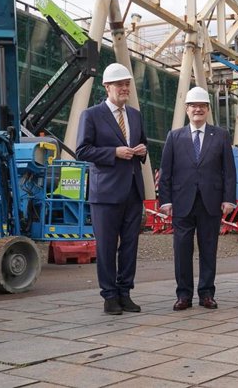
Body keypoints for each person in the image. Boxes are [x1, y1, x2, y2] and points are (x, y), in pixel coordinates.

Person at [76, 63, 148, 315]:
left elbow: (144, 145)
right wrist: (113, 152)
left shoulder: (136, 115)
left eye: (127, 83)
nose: (125, 88)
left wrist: (142, 151)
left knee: (129, 245)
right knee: (106, 246)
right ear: (107, 87)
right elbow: (82, 150)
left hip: (132, 190)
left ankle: (125, 293)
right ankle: (109, 296)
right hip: (105, 192)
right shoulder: (92, 115)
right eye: (119, 84)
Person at [158, 86, 236, 311]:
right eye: (193, 106)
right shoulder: (175, 137)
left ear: (208, 109)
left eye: (202, 106)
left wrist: (228, 199)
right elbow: (166, 172)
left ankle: (206, 294)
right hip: (182, 203)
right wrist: (166, 201)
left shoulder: (220, 136)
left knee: (209, 249)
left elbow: (228, 171)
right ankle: (183, 295)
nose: (198, 109)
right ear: (186, 109)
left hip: (210, 203)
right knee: (182, 250)